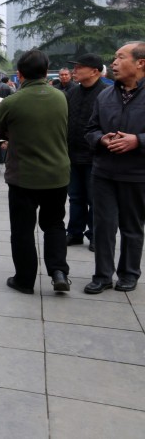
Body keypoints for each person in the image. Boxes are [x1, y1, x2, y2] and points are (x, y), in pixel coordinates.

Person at [0, 49, 71, 294]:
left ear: (19, 74)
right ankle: (59, 271)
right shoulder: (60, 97)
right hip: (57, 175)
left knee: (23, 230)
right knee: (55, 224)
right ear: (46, 70)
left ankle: (24, 280)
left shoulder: (12, 102)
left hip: (23, 176)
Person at [83, 41, 145, 294]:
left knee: (132, 227)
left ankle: (129, 274)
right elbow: (90, 129)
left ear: (140, 63)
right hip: (103, 172)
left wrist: (137, 140)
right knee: (103, 225)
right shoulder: (105, 95)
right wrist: (100, 139)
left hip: (137, 173)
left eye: (120, 57)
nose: (114, 63)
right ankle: (102, 275)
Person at [64, 53, 108, 251]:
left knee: (94, 199)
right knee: (75, 197)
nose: (75, 71)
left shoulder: (107, 94)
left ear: (95, 71)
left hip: (95, 156)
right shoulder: (72, 93)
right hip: (72, 155)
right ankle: (74, 232)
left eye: (79, 67)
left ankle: (95, 235)